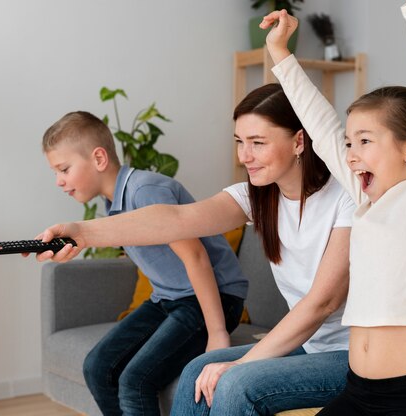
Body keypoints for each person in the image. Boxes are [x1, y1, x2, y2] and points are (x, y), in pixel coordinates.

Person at [34, 83, 356, 415]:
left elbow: (322, 302)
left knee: (233, 383)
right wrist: (81, 233)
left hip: (353, 355)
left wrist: (240, 363)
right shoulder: (258, 196)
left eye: (258, 143)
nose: (244, 156)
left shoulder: (345, 197)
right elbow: (175, 220)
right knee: (196, 371)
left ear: (299, 141)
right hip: (310, 346)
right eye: (239, 143)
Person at [261, 0, 406, 414]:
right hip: (359, 392)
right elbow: (321, 128)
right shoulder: (367, 201)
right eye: (349, 142)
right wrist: (280, 53)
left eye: (365, 141)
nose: (351, 154)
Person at [36, 111, 248, 416]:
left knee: (135, 380)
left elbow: (196, 257)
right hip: (168, 300)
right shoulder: (114, 203)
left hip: (212, 299)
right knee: (97, 367)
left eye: (64, 169)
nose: (59, 181)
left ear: (98, 158)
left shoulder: (145, 190)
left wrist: (217, 333)